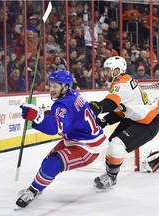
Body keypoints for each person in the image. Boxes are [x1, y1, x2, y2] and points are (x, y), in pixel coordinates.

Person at [16, 70, 108, 208]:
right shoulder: (73, 95)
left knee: (53, 163)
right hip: (79, 139)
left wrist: (37, 117)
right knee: (47, 161)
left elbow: (56, 127)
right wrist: (40, 114)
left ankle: (32, 191)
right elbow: (64, 116)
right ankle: (37, 187)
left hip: (87, 147)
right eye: (50, 85)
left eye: (55, 86)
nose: (51, 90)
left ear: (65, 87)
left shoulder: (63, 104)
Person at [88, 56, 159, 190]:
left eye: (107, 69)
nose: (104, 72)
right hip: (136, 119)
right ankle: (109, 174)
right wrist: (103, 121)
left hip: (148, 122)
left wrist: (95, 108)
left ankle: (111, 177)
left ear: (117, 70)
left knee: (117, 144)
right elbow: (121, 109)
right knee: (112, 143)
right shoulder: (122, 82)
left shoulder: (122, 83)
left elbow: (110, 104)